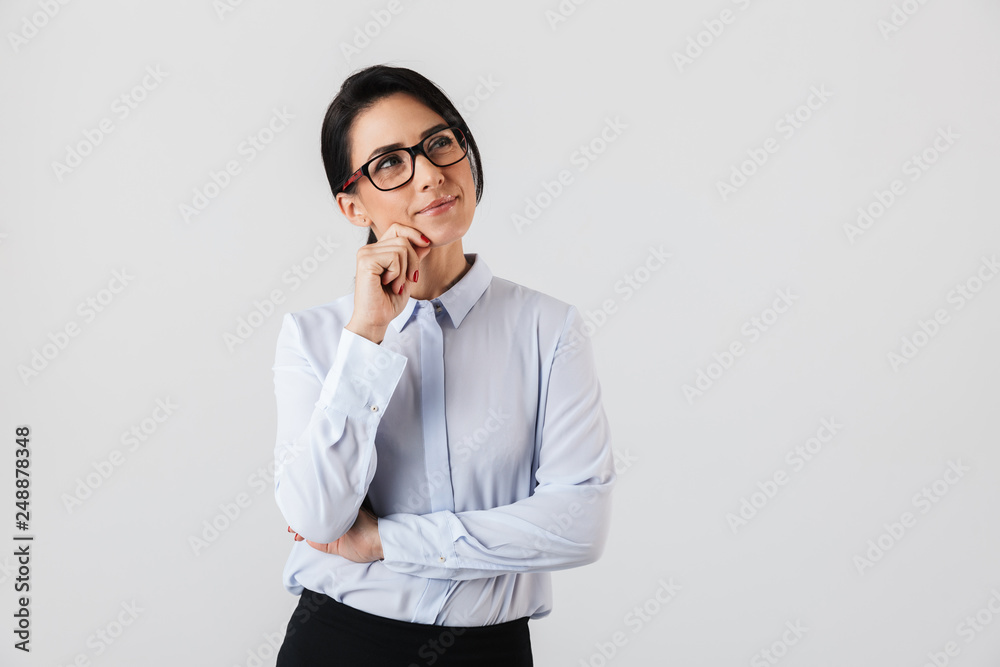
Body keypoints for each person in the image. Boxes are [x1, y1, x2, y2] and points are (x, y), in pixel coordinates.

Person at [271, 64, 616, 666]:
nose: (431, 173)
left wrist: (384, 541)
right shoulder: (317, 338)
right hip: (341, 644)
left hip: (491, 650)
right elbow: (318, 515)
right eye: (389, 163)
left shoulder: (548, 329)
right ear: (353, 208)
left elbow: (579, 522)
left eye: (439, 143)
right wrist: (369, 334)